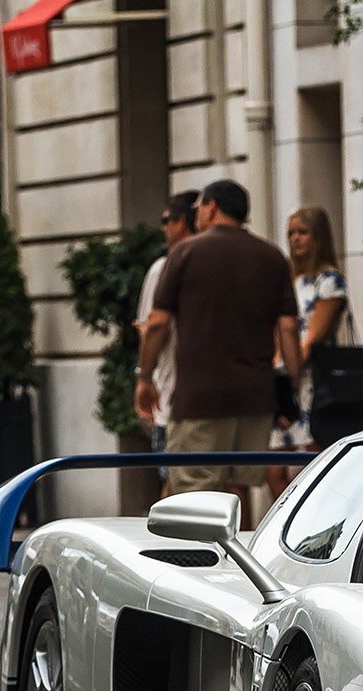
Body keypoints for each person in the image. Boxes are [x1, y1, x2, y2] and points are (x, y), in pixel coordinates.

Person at [135, 179, 299, 527]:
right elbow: (288, 328)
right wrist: (292, 387)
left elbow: (159, 322)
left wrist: (145, 376)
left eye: (198, 209)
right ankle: (237, 574)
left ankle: (199, 570)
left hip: (200, 397)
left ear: (211, 207)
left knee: (193, 490)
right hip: (255, 397)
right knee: (238, 487)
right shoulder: (272, 257)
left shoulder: (185, 253)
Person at [267, 205, 352, 500]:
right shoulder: (286, 280)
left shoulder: (329, 281)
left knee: (313, 464)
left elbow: (312, 337)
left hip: (313, 381)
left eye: (303, 232)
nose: (295, 239)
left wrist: (289, 381)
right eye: (291, 233)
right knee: (273, 469)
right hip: (284, 376)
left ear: (318, 236)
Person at [134, 190, 198, 494]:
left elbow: (152, 327)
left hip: (172, 395)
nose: (163, 228)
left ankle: (170, 544)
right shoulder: (218, 262)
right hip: (218, 393)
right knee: (228, 484)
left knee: (173, 483)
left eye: (166, 220)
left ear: (182, 221)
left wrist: (143, 377)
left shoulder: (164, 267)